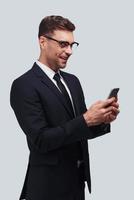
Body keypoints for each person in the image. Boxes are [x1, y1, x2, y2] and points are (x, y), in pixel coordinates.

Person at [10, 15, 119, 200]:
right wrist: (86, 119)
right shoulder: (24, 85)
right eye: (63, 44)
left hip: (77, 183)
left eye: (72, 45)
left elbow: (80, 129)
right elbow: (41, 140)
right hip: (47, 188)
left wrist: (101, 120)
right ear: (42, 42)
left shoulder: (72, 81)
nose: (69, 51)